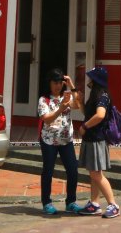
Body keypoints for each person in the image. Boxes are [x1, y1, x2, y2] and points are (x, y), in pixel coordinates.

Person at [76, 65, 120, 219]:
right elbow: (88, 114)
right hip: (91, 139)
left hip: (96, 139)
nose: (89, 81)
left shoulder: (102, 96)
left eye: (91, 79)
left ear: (96, 81)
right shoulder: (96, 96)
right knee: (94, 173)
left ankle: (113, 204)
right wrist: (81, 102)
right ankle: (94, 204)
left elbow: (100, 115)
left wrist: (84, 126)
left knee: (97, 175)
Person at [38, 69, 82, 215]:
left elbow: (78, 104)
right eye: (55, 83)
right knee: (48, 171)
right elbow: (47, 118)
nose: (58, 86)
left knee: (73, 170)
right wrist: (60, 109)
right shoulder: (44, 100)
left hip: (66, 140)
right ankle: (46, 202)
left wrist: (72, 85)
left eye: (60, 83)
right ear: (49, 83)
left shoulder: (66, 97)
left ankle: (71, 202)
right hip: (49, 141)